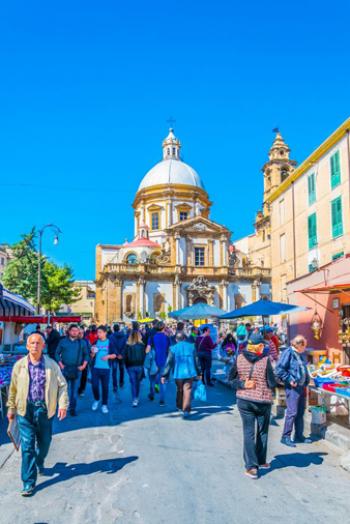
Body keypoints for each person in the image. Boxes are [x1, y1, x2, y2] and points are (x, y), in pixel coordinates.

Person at [7, 333, 68, 497]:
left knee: (45, 442)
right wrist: (11, 408)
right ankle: (28, 482)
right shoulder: (19, 365)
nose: (35, 345)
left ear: (43, 346)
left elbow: (62, 385)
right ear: (27, 346)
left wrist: (63, 404)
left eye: (38, 343)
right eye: (32, 343)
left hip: (44, 410)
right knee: (27, 447)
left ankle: (40, 460)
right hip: (24, 410)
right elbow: (12, 389)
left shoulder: (51, 365)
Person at [229, 332, 276, 479]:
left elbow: (231, 380)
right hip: (262, 400)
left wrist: (243, 384)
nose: (264, 348)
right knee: (262, 431)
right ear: (257, 347)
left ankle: (252, 466)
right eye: (262, 345)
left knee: (248, 432)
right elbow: (272, 382)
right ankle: (259, 461)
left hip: (243, 400)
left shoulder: (239, 358)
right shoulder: (266, 360)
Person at [276, 335, 311, 447]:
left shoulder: (299, 354)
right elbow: (279, 370)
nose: (305, 347)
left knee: (300, 412)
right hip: (293, 388)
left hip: (301, 387)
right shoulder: (288, 353)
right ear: (299, 344)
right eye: (304, 345)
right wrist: (290, 379)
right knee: (292, 412)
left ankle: (299, 435)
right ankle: (285, 437)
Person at [162, 333, 201, 417]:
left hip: (178, 373)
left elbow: (169, 362)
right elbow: (196, 361)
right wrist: (199, 372)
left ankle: (179, 406)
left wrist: (164, 375)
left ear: (176, 340)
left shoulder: (173, 348)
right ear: (184, 339)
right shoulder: (192, 347)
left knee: (179, 389)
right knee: (187, 390)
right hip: (190, 372)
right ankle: (186, 410)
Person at [55, 324, 89, 416]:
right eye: (72, 330)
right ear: (69, 331)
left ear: (79, 332)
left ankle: (72, 408)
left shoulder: (82, 342)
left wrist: (83, 366)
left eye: (76, 330)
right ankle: (63, 407)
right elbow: (57, 353)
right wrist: (61, 365)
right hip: (65, 369)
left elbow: (86, 355)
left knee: (74, 391)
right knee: (63, 389)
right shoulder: (63, 341)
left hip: (77, 369)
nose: (74, 332)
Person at [91, 325, 118, 414]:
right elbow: (91, 356)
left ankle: (104, 405)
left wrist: (108, 356)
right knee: (94, 386)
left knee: (105, 387)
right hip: (95, 368)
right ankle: (96, 399)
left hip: (106, 368)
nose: (98, 334)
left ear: (105, 333)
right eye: (97, 332)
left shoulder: (110, 342)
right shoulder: (95, 342)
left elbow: (115, 355)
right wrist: (92, 353)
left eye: (100, 332)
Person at [146, 321, 170, 406]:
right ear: (163, 328)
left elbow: (147, 350)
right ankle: (162, 401)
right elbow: (169, 350)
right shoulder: (167, 337)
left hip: (154, 362)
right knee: (163, 381)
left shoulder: (151, 337)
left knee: (152, 379)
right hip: (164, 361)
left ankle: (152, 394)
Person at [124, 327, 146, 407]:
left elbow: (125, 357)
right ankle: (136, 397)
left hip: (130, 366)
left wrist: (126, 366)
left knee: (133, 383)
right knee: (137, 383)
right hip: (139, 365)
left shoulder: (127, 345)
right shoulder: (142, 345)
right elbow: (144, 356)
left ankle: (135, 399)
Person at [109, 323, 127, 393]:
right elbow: (125, 346)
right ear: (119, 329)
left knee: (114, 371)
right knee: (121, 369)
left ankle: (115, 386)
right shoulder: (124, 336)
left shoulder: (111, 337)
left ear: (113, 329)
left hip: (114, 355)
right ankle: (121, 382)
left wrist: (116, 354)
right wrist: (121, 354)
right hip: (121, 356)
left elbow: (112, 347)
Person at [77, 326, 91, 397]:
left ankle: (82, 390)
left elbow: (89, 351)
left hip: (84, 362)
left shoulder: (86, 341)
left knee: (84, 376)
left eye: (82, 333)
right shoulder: (74, 340)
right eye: (79, 333)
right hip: (75, 362)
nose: (81, 334)